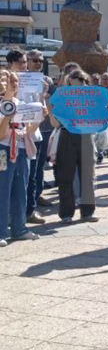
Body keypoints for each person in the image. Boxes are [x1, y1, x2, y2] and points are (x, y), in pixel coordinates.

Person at [0, 71, 44, 247]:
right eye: (5, 79)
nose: (12, 83)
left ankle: (19, 228)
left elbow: (29, 132)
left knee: (21, 190)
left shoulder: (22, 105)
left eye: (15, 80)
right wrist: (8, 113)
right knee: (3, 191)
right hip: (3, 150)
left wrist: (39, 118)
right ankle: (1, 231)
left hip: (21, 149)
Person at [50, 70, 99, 224]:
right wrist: (52, 111)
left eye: (82, 81)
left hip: (85, 135)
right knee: (65, 175)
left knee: (87, 176)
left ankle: (87, 212)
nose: (80, 84)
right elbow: (56, 122)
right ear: (69, 81)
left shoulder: (92, 96)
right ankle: (66, 213)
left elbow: (98, 117)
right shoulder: (63, 96)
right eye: (75, 80)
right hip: (67, 135)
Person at [22, 50, 50, 224]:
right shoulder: (20, 81)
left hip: (37, 133)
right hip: (21, 135)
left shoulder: (41, 81)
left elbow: (42, 108)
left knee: (35, 173)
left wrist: (43, 95)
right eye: (34, 60)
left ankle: (30, 209)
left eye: (40, 60)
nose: (38, 63)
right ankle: (20, 211)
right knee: (23, 176)